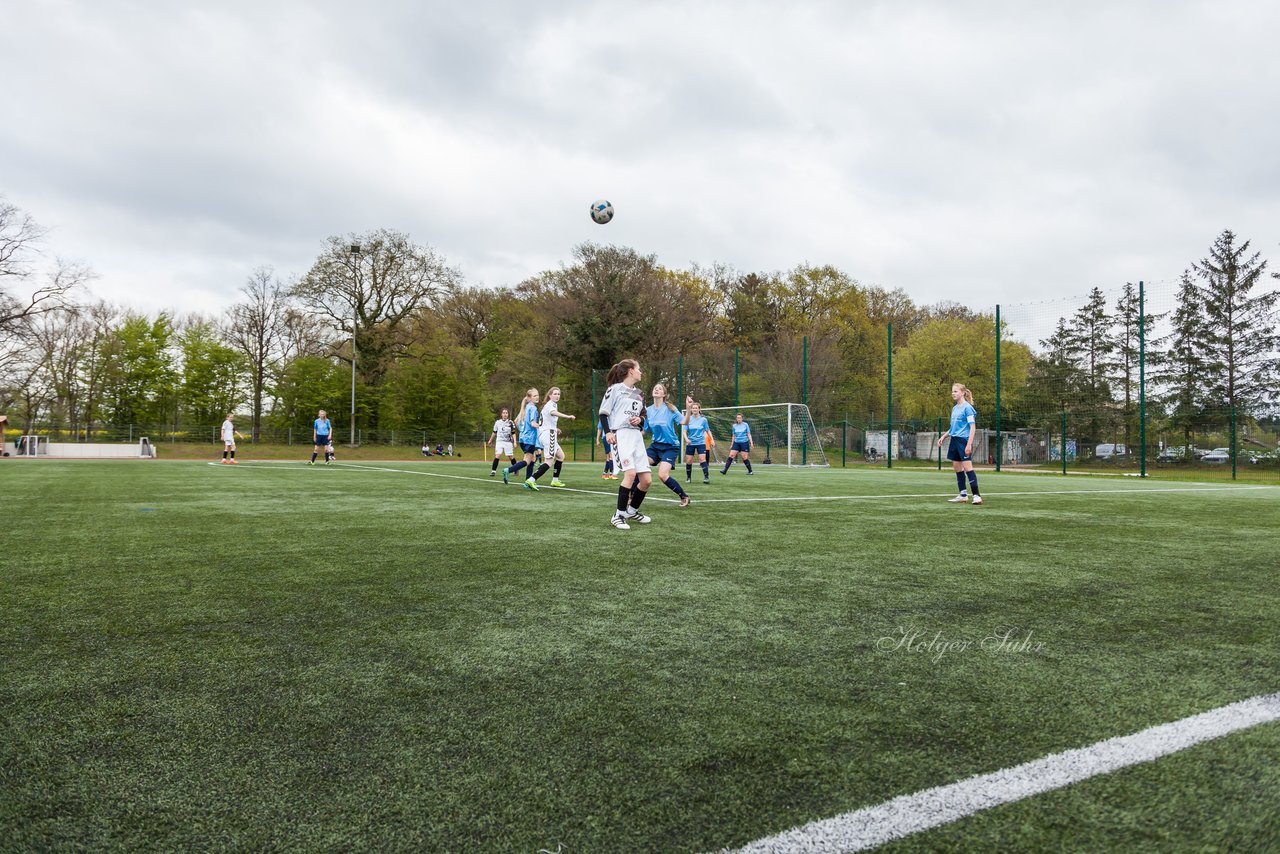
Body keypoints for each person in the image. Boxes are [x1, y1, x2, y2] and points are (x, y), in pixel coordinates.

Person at [598, 359, 651, 529]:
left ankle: (631, 511)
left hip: (636, 437)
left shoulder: (640, 393)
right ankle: (618, 515)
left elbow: (644, 415)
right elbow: (603, 413)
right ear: (630, 371)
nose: (640, 372)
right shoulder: (614, 390)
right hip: (621, 435)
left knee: (646, 480)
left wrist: (640, 419)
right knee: (630, 474)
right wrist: (608, 432)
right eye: (639, 369)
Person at [644, 385, 690, 507]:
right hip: (655, 446)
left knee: (662, 475)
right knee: (640, 465)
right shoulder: (648, 410)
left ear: (664, 394)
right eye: (655, 388)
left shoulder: (670, 409)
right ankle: (631, 495)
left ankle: (684, 496)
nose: (656, 389)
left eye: (660, 388)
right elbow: (645, 430)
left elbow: (684, 422)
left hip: (670, 447)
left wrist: (688, 409)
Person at [936, 382, 983, 505]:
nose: (953, 393)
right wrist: (944, 436)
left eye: (955, 391)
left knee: (968, 468)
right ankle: (963, 494)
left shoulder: (968, 408)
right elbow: (953, 428)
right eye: (952, 391)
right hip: (954, 440)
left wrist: (969, 444)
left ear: (962, 392)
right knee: (957, 468)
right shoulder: (954, 408)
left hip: (963, 441)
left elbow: (972, 427)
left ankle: (977, 496)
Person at [504, 388, 545, 490]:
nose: (537, 397)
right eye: (534, 396)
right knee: (527, 461)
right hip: (530, 439)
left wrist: (522, 430)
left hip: (523, 438)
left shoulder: (525, 408)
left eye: (538, 395)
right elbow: (532, 423)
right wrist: (542, 426)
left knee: (532, 459)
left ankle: (528, 482)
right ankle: (508, 470)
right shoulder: (533, 408)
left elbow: (516, 421)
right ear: (530, 398)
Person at [539, 386, 576, 487]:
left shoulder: (552, 404)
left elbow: (548, 420)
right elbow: (553, 413)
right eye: (555, 394)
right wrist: (567, 416)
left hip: (548, 433)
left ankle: (555, 480)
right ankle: (532, 479)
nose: (557, 396)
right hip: (548, 434)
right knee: (549, 461)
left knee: (560, 456)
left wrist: (556, 429)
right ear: (550, 395)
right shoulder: (550, 405)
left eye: (558, 394)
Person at [683, 399, 714, 484]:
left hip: (701, 442)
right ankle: (688, 478)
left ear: (699, 409)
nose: (694, 409)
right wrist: (686, 439)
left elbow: (708, 430)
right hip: (690, 443)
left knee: (702, 459)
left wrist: (712, 440)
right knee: (689, 460)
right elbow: (684, 431)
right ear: (691, 409)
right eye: (693, 408)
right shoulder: (688, 419)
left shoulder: (704, 420)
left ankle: (706, 477)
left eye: (696, 408)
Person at [486, 408, 517, 476]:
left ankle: (516, 469)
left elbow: (513, 433)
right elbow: (494, 432)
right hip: (499, 441)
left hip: (508, 442)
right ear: (501, 414)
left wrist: (515, 442)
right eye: (503, 413)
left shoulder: (510, 422)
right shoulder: (497, 422)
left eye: (506, 413)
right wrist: (490, 440)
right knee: (497, 455)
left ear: (508, 414)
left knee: (510, 456)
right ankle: (493, 471)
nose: (505, 414)